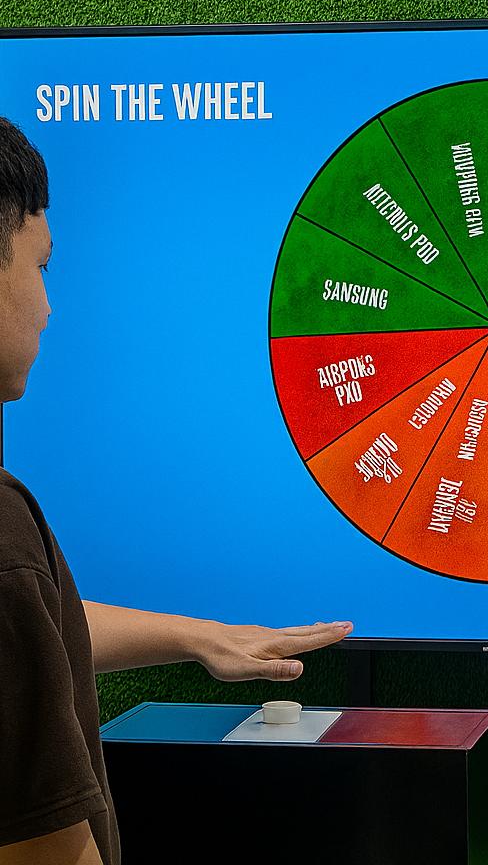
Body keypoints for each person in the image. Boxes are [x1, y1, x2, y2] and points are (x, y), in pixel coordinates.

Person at [0, 117, 354, 865]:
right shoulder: (3, 532)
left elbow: (29, 628)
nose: (49, 305)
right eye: (41, 266)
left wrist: (200, 637)